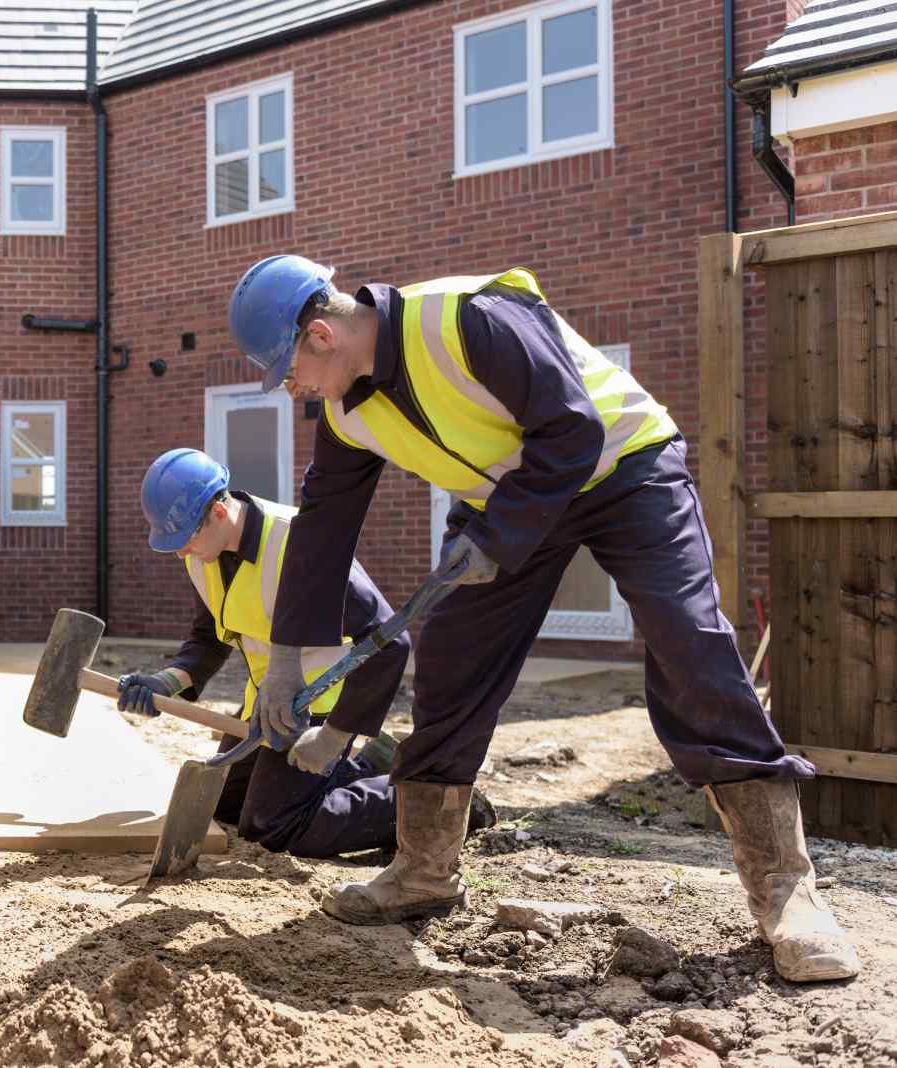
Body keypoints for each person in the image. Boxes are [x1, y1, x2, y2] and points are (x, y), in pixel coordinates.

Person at [225, 255, 859, 983]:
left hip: (623, 467)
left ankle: (787, 892)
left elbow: (570, 429)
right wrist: (283, 658)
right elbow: (322, 527)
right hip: (505, 502)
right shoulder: (347, 412)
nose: (292, 391)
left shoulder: (467, 316)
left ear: (320, 335)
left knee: (690, 643)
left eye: (287, 373)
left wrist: (495, 542)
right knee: (450, 665)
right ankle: (423, 871)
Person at [117, 448, 495, 859]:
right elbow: (208, 638)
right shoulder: (204, 554)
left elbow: (391, 643)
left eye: (185, 537)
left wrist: (334, 736)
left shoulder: (300, 543)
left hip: (323, 704)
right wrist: (166, 683)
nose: (179, 552)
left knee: (275, 825)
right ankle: (367, 769)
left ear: (220, 513)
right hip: (267, 703)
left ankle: (438, 800)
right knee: (223, 804)